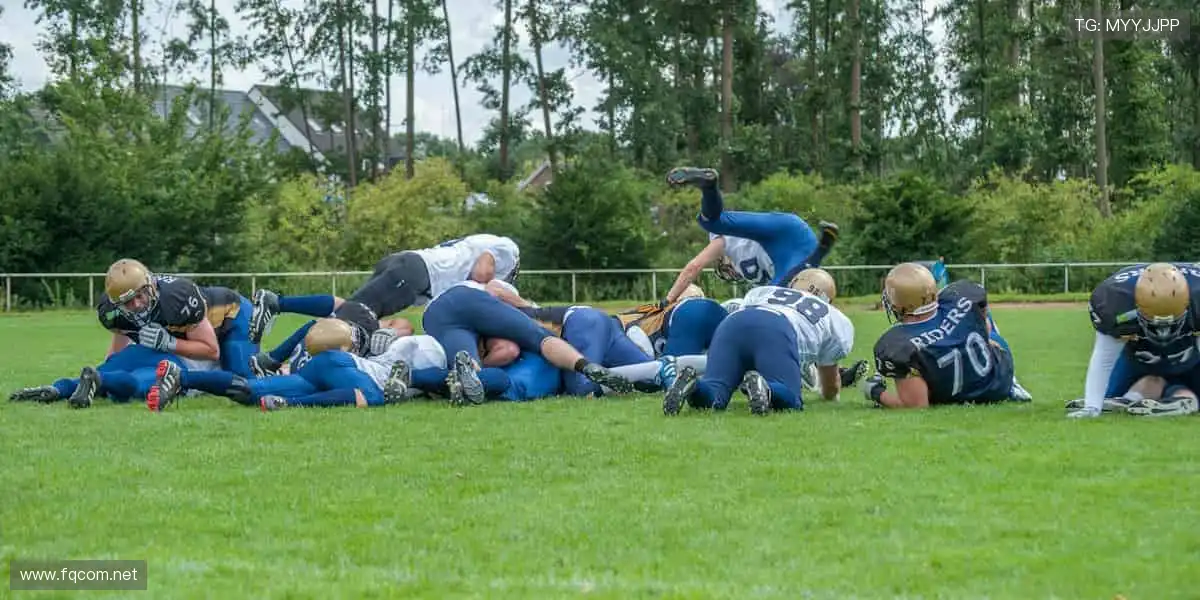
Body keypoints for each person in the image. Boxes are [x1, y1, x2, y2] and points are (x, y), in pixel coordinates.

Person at [248, 234, 520, 342]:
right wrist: (486, 293)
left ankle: (279, 305)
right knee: (353, 318)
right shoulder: (508, 249)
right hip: (418, 272)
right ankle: (276, 348)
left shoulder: (472, 245)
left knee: (349, 310)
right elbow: (482, 271)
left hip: (409, 266)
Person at [663, 278, 855, 416]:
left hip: (733, 323)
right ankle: (766, 388)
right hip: (776, 328)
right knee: (790, 397)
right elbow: (830, 384)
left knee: (714, 392)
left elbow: (749, 317)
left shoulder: (766, 291)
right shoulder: (834, 317)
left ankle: (694, 385)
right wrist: (830, 394)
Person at [659, 167, 839, 304]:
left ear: (722, 260)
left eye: (725, 268)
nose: (730, 271)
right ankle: (709, 184)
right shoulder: (756, 276)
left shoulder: (723, 243)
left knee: (772, 299)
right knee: (777, 294)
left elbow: (694, 266)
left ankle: (820, 252)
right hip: (793, 244)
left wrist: (668, 300)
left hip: (782, 234)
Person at [860, 263, 1027, 408]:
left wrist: (876, 392)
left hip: (953, 395)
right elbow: (985, 324)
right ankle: (1013, 385)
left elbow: (916, 405)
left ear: (900, 304)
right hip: (1000, 383)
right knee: (981, 316)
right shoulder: (960, 297)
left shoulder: (896, 344)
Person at [1066, 262, 1200, 418]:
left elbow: (1104, 359)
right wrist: (1092, 407)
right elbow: (1105, 354)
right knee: (1125, 388)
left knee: (1182, 383)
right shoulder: (1116, 300)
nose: (1163, 331)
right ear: (1136, 303)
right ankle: (1133, 399)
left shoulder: (1197, 299)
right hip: (1139, 356)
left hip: (1187, 354)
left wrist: (1092, 407)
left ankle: (1179, 398)